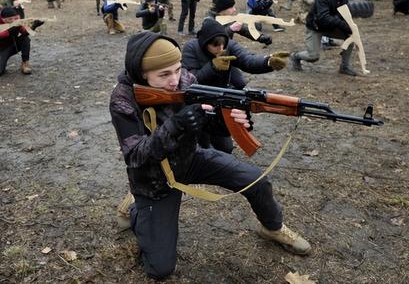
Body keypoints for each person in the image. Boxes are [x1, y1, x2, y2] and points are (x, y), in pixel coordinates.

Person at [109, 32, 310, 280]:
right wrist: (176, 126)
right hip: (153, 179)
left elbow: (210, 124)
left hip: (190, 157)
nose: (175, 80)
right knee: (160, 268)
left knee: (255, 178)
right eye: (164, 75)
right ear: (142, 74)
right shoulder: (123, 98)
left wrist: (234, 121)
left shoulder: (187, 79)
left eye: (177, 69)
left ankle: (273, 227)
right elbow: (134, 156)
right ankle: (136, 208)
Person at [182, 19, 289, 153]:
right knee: (201, 143)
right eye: (215, 45)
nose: (221, 49)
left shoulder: (229, 46)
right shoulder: (191, 48)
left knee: (225, 147)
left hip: (221, 99)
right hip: (198, 102)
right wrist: (213, 67)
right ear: (205, 43)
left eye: (223, 44)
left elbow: (248, 60)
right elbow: (189, 81)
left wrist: (268, 62)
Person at [290, 0, 357, 76]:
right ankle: (295, 56)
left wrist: (349, 26)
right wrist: (342, 24)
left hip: (329, 26)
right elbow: (324, 18)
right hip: (315, 27)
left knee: (351, 38)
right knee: (313, 57)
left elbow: (345, 12)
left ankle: (344, 67)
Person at [0, 6, 44, 76]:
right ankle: (3, 58)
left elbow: (24, 32)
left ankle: (25, 63)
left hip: (13, 45)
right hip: (0, 49)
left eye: (15, 18)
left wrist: (34, 26)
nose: (13, 21)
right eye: (9, 19)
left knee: (25, 38)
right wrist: (8, 32)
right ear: (2, 19)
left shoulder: (16, 19)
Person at [207, 0, 273, 47]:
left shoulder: (227, 18)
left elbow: (244, 29)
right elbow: (212, 40)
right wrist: (230, 29)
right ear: (223, 8)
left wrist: (260, 37)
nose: (234, 9)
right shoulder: (209, 21)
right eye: (231, 7)